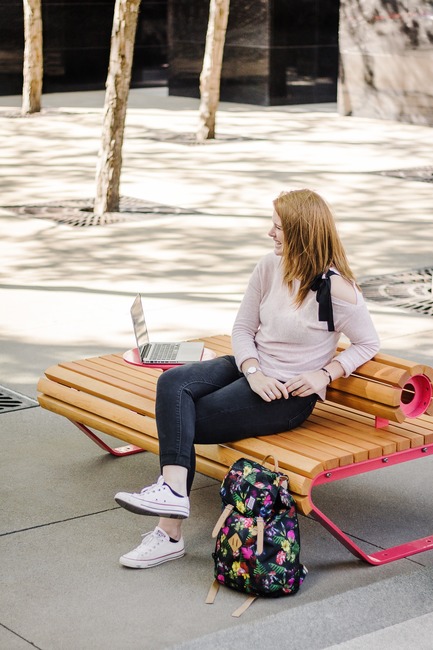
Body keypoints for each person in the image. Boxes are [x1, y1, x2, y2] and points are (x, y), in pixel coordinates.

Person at [114, 188, 380, 569]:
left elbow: (368, 343)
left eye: (278, 228)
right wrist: (252, 370)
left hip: (286, 394)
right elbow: (242, 329)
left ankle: (168, 531)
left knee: (185, 420)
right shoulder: (269, 267)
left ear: (302, 234)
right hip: (252, 370)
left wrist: (325, 372)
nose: (270, 234)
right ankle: (172, 494)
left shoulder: (338, 291)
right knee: (172, 384)